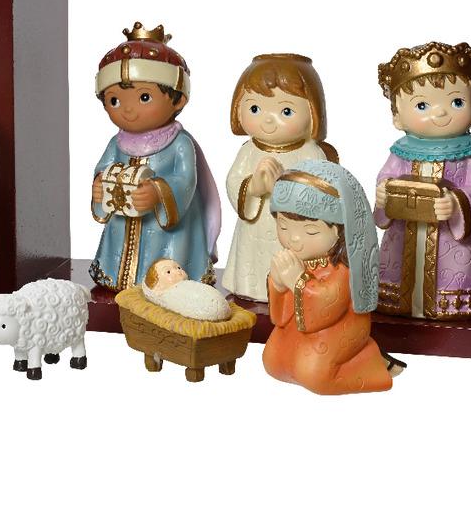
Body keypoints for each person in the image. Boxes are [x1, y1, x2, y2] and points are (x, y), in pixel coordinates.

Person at [89, 22, 220, 291]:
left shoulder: (179, 143)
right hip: (122, 222)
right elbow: (104, 167)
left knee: (169, 260)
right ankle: (115, 275)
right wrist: (100, 184)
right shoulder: (117, 142)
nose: (128, 110)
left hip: (169, 233)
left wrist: (159, 192)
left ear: (178, 100)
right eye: (114, 100)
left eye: (144, 97)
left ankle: (169, 284)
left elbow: (185, 180)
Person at [374, 41, 471, 319]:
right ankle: (397, 298)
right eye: (422, 105)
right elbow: (386, 176)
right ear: (397, 117)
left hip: (452, 242)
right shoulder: (401, 152)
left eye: (457, 102)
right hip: (404, 232)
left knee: (452, 268)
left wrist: (455, 204)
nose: (440, 112)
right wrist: (383, 193)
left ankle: (449, 302)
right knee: (399, 263)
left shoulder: (470, 154)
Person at [262, 159, 394, 395]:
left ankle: (371, 363)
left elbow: (328, 304)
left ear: (339, 231)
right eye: (283, 227)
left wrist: (297, 281)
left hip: (337, 327)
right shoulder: (298, 258)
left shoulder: (342, 269)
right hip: (300, 327)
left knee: (314, 375)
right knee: (272, 360)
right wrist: (278, 284)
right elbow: (280, 315)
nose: (294, 239)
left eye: (311, 231)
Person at [224, 53, 338, 301]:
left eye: (286, 111)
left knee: (289, 261)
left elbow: (322, 196)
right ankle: (251, 288)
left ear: (313, 113)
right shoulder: (248, 151)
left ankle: (293, 291)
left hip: (292, 232)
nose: (268, 120)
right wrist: (253, 187)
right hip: (254, 228)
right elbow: (233, 182)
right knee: (253, 262)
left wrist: (285, 189)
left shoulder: (311, 153)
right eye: (255, 108)